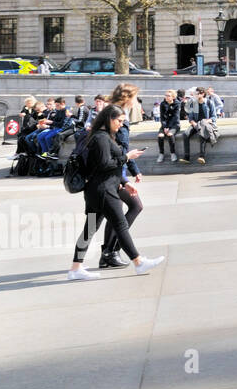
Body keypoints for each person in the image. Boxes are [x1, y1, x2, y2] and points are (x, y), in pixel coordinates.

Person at [65, 103, 165, 280]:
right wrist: (127, 156)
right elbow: (105, 165)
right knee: (120, 226)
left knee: (90, 229)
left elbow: (102, 166)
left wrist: (124, 183)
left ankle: (75, 268)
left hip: (97, 190)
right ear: (109, 119)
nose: (121, 124)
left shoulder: (100, 136)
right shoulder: (101, 138)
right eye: (119, 120)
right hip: (104, 190)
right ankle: (139, 262)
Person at [101, 83, 145, 268]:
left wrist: (134, 170)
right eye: (135, 97)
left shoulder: (112, 114)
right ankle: (111, 251)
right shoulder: (119, 118)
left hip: (113, 174)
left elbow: (121, 151)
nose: (136, 101)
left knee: (113, 215)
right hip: (114, 175)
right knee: (135, 206)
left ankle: (107, 254)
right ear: (128, 98)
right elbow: (121, 151)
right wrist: (125, 178)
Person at [155, 89, 182, 163]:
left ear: (173, 97)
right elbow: (162, 117)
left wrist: (169, 127)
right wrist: (164, 127)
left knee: (170, 134)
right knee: (160, 135)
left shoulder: (177, 103)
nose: (166, 97)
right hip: (165, 125)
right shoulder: (163, 104)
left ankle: (173, 153)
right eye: (166, 95)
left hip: (174, 124)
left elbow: (175, 117)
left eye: (168, 96)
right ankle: (161, 154)